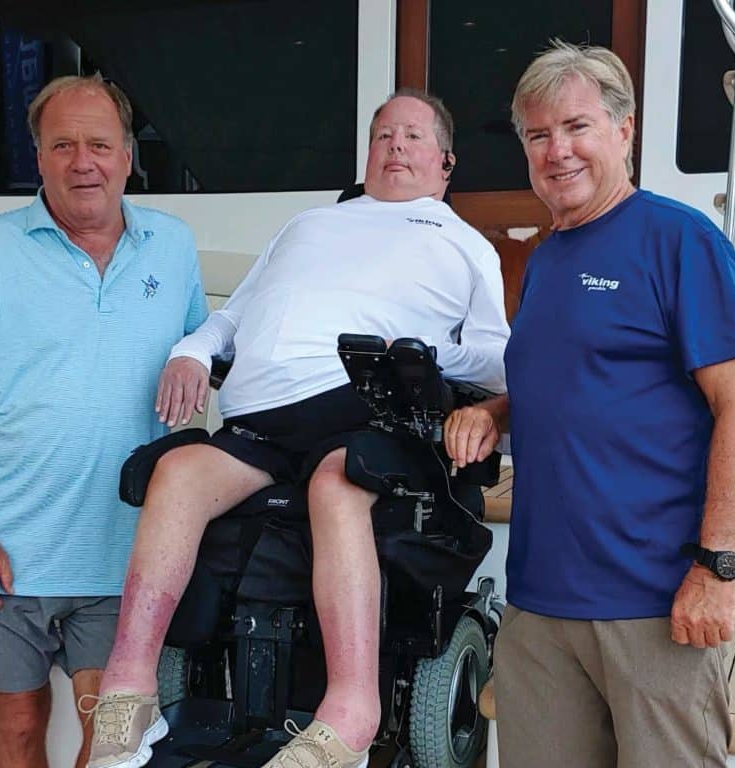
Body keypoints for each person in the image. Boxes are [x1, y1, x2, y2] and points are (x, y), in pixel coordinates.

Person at [84, 88, 508, 768]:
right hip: (261, 425)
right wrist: (192, 350)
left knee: (337, 484)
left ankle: (352, 712)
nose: (395, 146)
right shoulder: (309, 225)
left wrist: (420, 356)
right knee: (178, 471)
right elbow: (233, 317)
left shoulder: (460, 243)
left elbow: (495, 358)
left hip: (368, 414)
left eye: (413, 137)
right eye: (383, 135)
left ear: (445, 164)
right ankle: (128, 685)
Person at [445, 41, 735, 767]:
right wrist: (496, 413)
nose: (557, 150)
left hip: (655, 605)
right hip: (539, 603)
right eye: (538, 134)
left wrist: (716, 570)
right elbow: (573, 385)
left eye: (577, 126)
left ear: (624, 131)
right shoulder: (549, 257)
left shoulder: (680, 240)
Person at [0, 74, 208, 768]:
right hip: (4, 554)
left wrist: (203, 359)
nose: (85, 162)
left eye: (100, 144)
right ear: (39, 158)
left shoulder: (172, 246)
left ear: (128, 156)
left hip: (127, 554)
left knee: (112, 738)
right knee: (17, 729)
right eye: (64, 145)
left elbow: (201, 350)